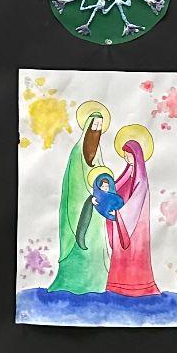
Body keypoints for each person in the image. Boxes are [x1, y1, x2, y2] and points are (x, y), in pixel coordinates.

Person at [49, 106, 109, 294]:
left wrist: (101, 194)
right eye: (94, 125)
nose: (97, 129)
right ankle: (73, 283)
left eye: (99, 126)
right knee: (80, 237)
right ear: (87, 127)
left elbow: (101, 175)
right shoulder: (77, 153)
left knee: (95, 241)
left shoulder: (98, 153)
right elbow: (74, 185)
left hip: (97, 206)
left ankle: (96, 283)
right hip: (79, 207)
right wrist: (89, 198)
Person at [106, 131, 161, 297]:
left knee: (135, 255)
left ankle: (138, 287)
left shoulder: (141, 180)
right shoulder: (127, 175)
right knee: (121, 256)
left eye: (129, 155)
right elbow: (114, 190)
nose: (126, 158)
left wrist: (119, 214)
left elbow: (135, 204)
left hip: (135, 228)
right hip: (122, 225)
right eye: (125, 155)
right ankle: (117, 286)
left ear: (136, 156)